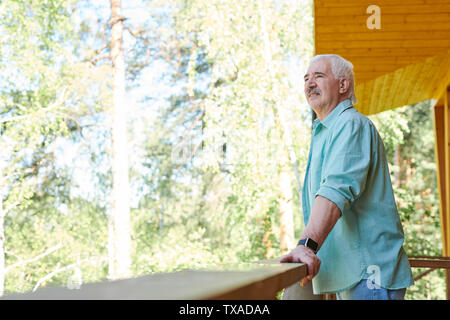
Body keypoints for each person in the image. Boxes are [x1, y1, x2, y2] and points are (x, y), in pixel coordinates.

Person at [280, 54, 414, 300]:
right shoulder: (325, 131)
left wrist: (306, 247)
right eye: (306, 79)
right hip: (352, 272)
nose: (309, 84)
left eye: (319, 76)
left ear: (343, 85)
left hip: (370, 273)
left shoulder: (351, 124)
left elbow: (336, 190)